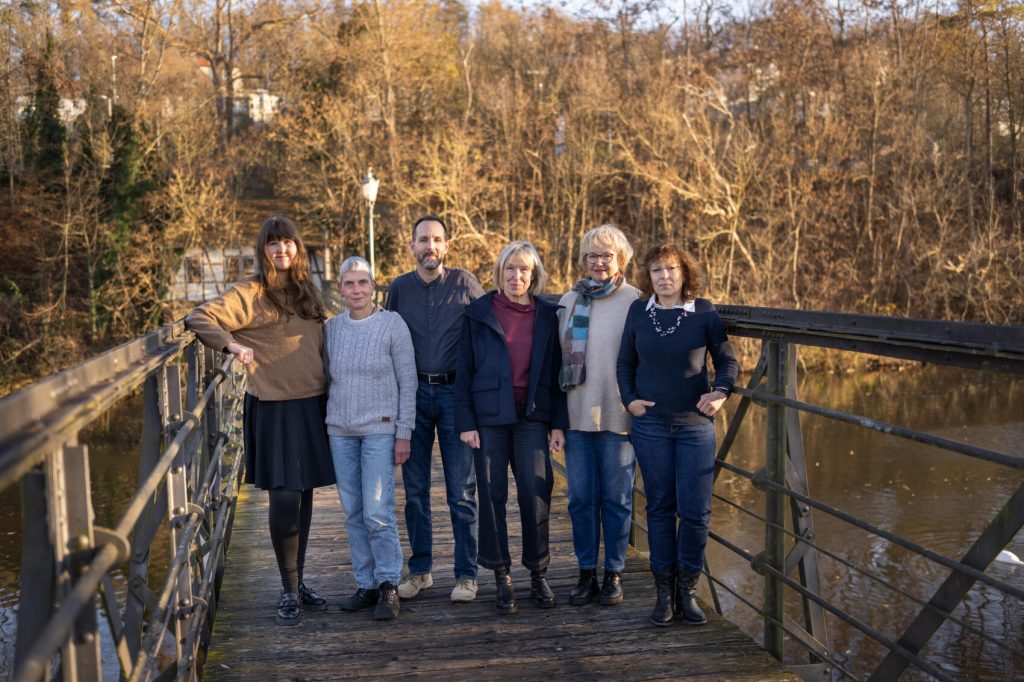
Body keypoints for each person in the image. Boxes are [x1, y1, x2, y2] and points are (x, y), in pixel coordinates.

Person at [185, 216, 335, 627]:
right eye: (273, 244)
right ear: (263, 250)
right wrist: (232, 344)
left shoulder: (307, 290)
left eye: (288, 243)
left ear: (297, 248)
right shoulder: (249, 292)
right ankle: (287, 590)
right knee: (284, 498)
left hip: (312, 405)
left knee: (304, 497)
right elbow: (199, 318)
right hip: (274, 407)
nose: (281, 251)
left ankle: (300, 581)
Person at [616, 243, 738, 627]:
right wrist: (630, 400)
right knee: (659, 507)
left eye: (671, 269)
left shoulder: (703, 313)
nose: (664, 277)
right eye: (656, 270)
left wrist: (720, 393)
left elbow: (728, 360)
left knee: (697, 513)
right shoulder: (639, 311)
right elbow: (624, 362)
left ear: (685, 274)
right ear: (647, 276)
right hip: (650, 426)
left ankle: (687, 591)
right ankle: (663, 593)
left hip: (694, 426)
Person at [455, 240, 568, 615]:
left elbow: (555, 373)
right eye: (509, 268)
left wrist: (557, 424)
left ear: (533, 275)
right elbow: (464, 372)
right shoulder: (478, 312)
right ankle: (501, 574)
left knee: (535, 494)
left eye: (523, 269)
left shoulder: (548, 315)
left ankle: (538, 572)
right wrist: (467, 422)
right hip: (489, 417)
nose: (516, 275)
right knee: (491, 495)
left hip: (533, 416)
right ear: (500, 272)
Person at [385, 216, 485, 603]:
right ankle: (421, 570)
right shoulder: (398, 289)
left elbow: (488, 335)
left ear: (447, 245)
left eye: (437, 240)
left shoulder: (464, 283)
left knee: (461, 491)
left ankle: (466, 575)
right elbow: (386, 338)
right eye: (423, 240)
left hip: (455, 395)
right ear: (411, 245)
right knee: (415, 490)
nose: (431, 246)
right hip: (412, 397)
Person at [324, 256, 417, 621]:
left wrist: (403, 432)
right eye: (349, 283)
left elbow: (407, 381)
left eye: (363, 282)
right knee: (353, 513)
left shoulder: (392, 324)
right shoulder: (332, 328)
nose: (357, 289)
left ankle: (388, 584)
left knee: (378, 512)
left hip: (381, 428)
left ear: (374, 286)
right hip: (340, 431)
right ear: (341, 289)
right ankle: (364, 584)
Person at [557, 224, 641, 607]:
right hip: (576, 417)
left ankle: (614, 573)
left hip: (620, 416)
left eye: (606, 255)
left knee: (618, 499)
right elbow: (553, 363)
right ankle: (586, 572)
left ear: (620, 259)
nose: (599, 263)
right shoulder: (569, 302)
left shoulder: (636, 302)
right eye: (592, 255)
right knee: (580, 499)